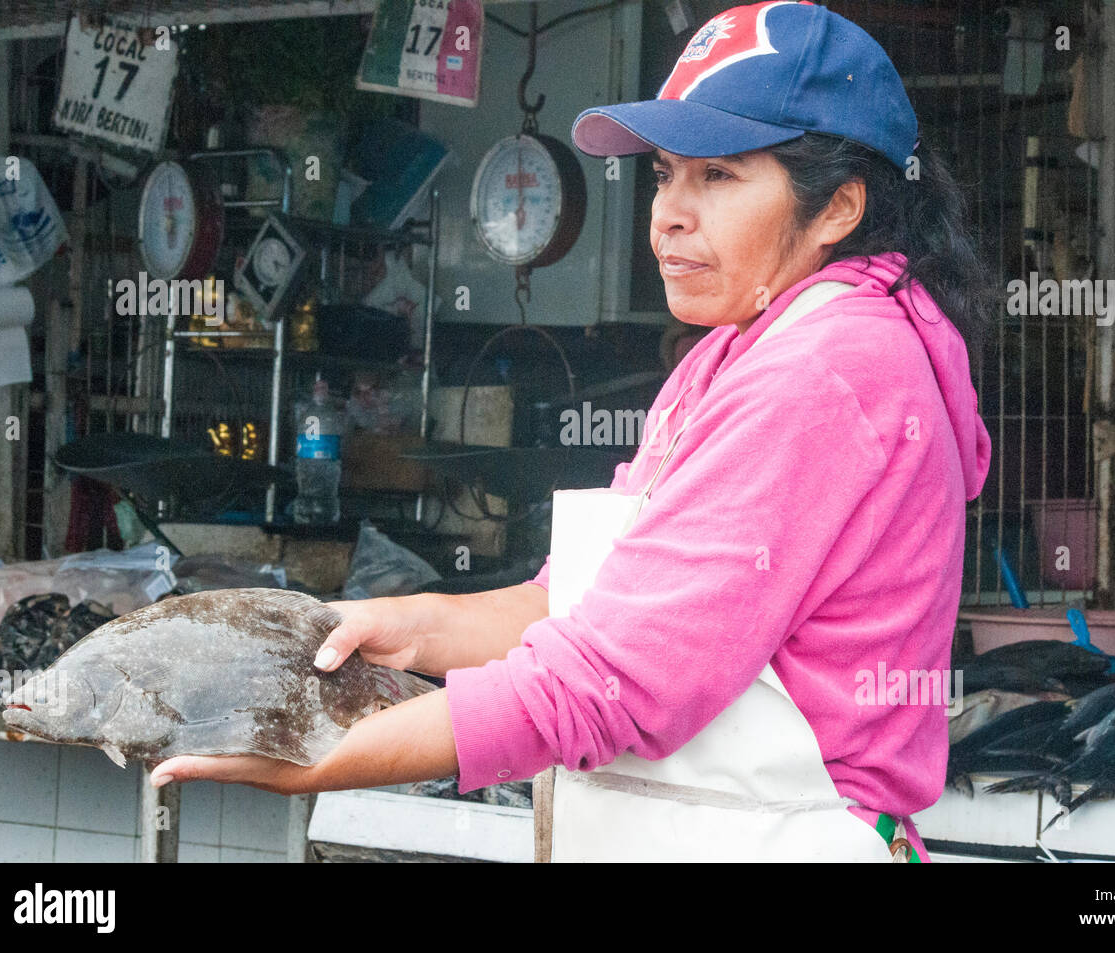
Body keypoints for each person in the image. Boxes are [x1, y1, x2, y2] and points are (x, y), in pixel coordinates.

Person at [151, 0, 993, 862]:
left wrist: (323, 757)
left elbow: (609, 682)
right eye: (666, 173)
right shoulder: (736, 353)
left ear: (838, 207)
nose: (666, 214)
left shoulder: (826, 369)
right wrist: (403, 623)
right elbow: (576, 608)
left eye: (721, 177)